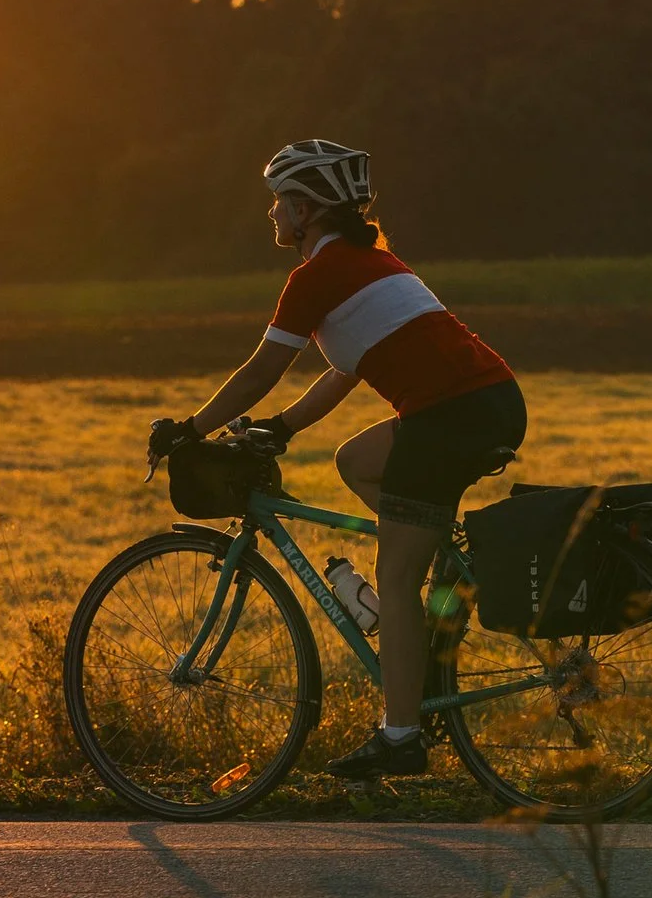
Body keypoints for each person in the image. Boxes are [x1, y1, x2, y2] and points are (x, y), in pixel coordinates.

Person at [147, 139, 526, 779]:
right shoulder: (370, 264)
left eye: (279, 204)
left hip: (448, 416)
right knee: (356, 459)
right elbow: (344, 371)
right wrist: (283, 427)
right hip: (482, 402)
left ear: (307, 211)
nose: (272, 216)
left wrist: (189, 428)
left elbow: (261, 369)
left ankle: (401, 736)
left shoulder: (317, 276)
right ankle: (442, 559)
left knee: (397, 579)